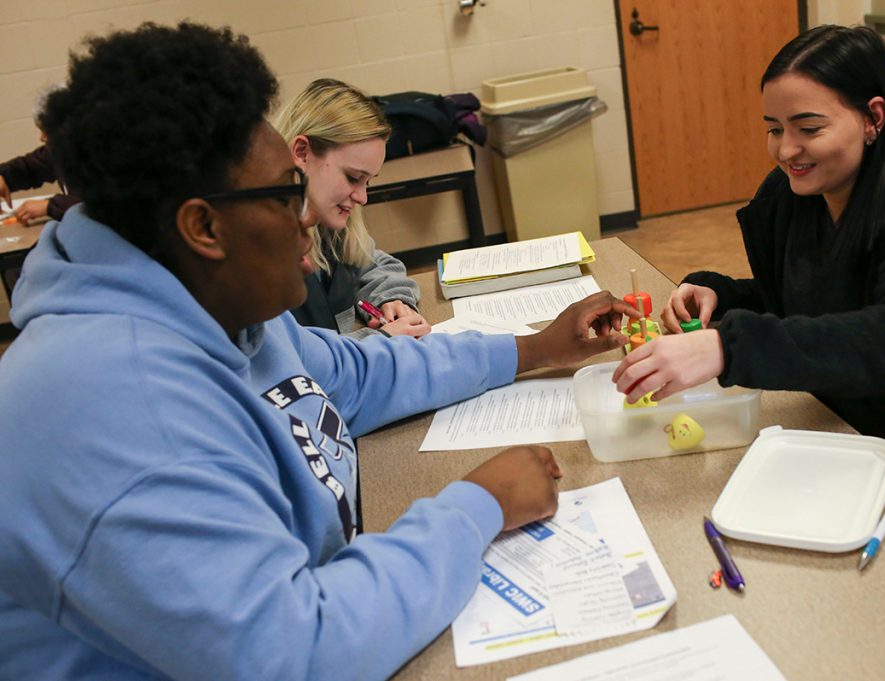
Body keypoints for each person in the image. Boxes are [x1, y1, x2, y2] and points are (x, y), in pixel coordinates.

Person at [0, 22, 637, 680]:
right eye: (285, 193)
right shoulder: (114, 407)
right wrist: (479, 504)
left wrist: (533, 348)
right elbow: (298, 653)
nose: (306, 215)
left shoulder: (220, 308)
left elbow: (358, 374)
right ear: (203, 226)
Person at [613, 25, 885, 540]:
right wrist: (721, 296)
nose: (787, 150)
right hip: (847, 422)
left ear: (873, 117)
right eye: (774, 129)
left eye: (808, 128)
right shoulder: (799, 192)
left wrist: (726, 347)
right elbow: (812, 304)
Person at [274, 79, 430, 339]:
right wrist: (381, 340)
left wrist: (392, 300)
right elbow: (298, 356)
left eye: (367, 181)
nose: (362, 198)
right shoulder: (260, 252)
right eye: (353, 177)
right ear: (302, 153)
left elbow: (371, 262)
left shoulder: (327, 224)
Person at [0, 126, 79, 224]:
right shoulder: (61, 151)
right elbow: (30, 167)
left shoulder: (94, 153)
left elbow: (94, 207)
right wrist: (3, 176)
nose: (42, 138)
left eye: (48, 130)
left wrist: (49, 206)